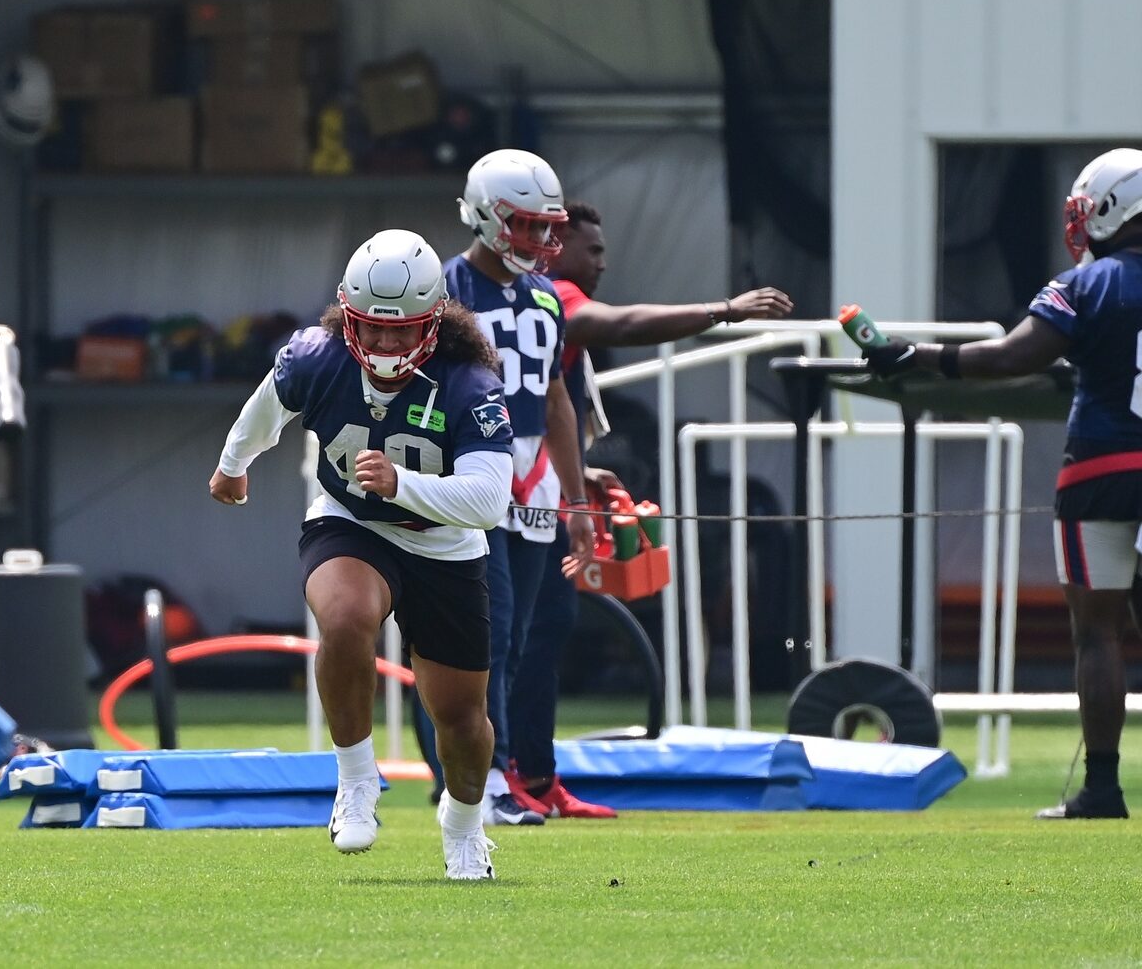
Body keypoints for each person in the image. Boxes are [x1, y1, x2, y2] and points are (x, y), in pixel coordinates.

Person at [862, 148, 1142, 820]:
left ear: (1104, 207)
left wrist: (916, 356)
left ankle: (1101, 787)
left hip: (1099, 469)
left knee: (1097, 634)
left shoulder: (1083, 284)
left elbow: (1012, 355)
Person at [209, 229, 512, 880]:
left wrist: (406, 484)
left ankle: (462, 825)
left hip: (443, 544)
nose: (380, 345)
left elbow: (489, 501)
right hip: (351, 521)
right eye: (369, 328)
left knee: (461, 722)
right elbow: (267, 406)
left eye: (398, 332)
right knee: (344, 617)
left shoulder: (468, 383)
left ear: (433, 322)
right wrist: (234, 463)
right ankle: (356, 778)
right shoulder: (317, 356)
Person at [505, 200, 794, 818]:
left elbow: (541, 409)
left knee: (546, 631)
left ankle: (537, 777)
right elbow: (625, 324)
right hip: (503, 503)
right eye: (595, 250)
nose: (604, 262)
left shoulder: (541, 303)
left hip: (541, 495)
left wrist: (575, 475)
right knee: (514, 641)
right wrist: (725, 310)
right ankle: (501, 780)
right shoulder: (553, 294)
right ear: (557, 249)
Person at [418, 149, 596, 825]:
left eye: (547, 226)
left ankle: (486, 771)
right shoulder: (440, 287)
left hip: (533, 483)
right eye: (525, 225)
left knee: (516, 638)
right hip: (463, 473)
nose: (541, 242)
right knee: (474, 634)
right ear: (486, 215)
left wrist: (574, 497)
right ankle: (471, 779)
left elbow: (555, 398)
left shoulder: (546, 295)